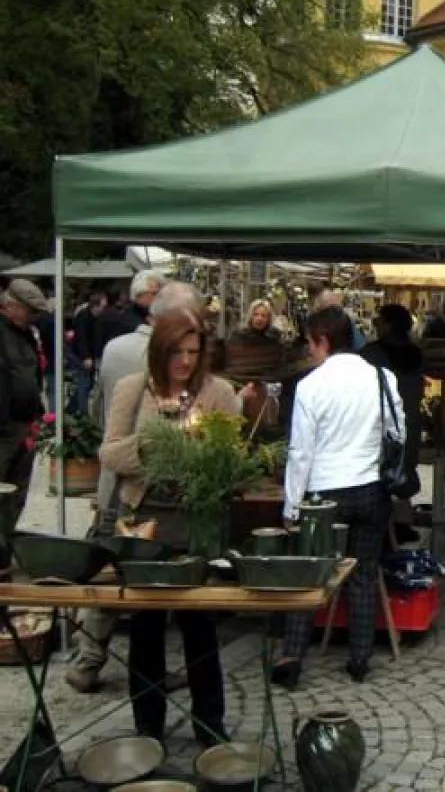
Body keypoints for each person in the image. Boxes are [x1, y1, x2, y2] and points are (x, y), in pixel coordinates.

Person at [99, 307, 237, 745]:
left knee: (200, 626)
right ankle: (148, 728)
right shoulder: (132, 388)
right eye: (177, 352)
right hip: (144, 523)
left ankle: (209, 725)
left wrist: (203, 453)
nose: (185, 361)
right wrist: (155, 447)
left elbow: (230, 460)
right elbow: (109, 453)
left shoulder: (218, 392)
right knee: (146, 627)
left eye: (193, 352)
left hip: (195, 523)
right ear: (160, 351)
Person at [65, 282, 206, 693]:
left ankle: (89, 661)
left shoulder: (115, 348)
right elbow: (114, 438)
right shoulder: (142, 361)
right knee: (120, 570)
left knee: (115, 574)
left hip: (128, 489)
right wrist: (159, 445)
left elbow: (96, 407)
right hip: (130, 489)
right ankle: (94, 662)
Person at [273, 307, 405, 689]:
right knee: (363, 574)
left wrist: (291, 506)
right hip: (370, 487)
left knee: (312, 574)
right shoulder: (382, 377)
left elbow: (301, 451)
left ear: (323, 341)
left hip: (324, 491)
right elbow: (398, 431)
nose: (309, 350)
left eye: (310, 343)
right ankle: (359, 660)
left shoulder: (311, 385)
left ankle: (293, 658)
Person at [0, 280, 49, 538]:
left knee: (19, 489)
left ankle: (9, 541)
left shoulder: (27, 334)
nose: (34, 317)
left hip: (24, 423)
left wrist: (38, 415)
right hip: (5, 426)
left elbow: (33, 376)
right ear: (11, 306)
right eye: (30, 311)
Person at [360, 303, 424, 504]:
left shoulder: (372, 354)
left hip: (381, 424)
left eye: (379, 321)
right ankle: (403, 516)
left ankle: (387, 518)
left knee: (380, 476)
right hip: (410, 421)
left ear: (389, 325)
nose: (376, 325)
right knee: (404, 474)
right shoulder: (417, 353)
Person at [94, 271, 165, 359]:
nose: (159, 297)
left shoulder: (155, 317)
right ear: (139, 295)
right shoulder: (125, 321)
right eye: (154, 293)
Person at [71, 293, 107, 415]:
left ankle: (72, 408)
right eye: (103, 305)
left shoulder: (95, 317)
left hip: (89, 354)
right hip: (82, 355)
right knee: (85, 383)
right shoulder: (84, 317)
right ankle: (83, 413)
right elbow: (81, 337)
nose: (104, 308)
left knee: (87, 383)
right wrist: (86, 356)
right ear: (96, 305)